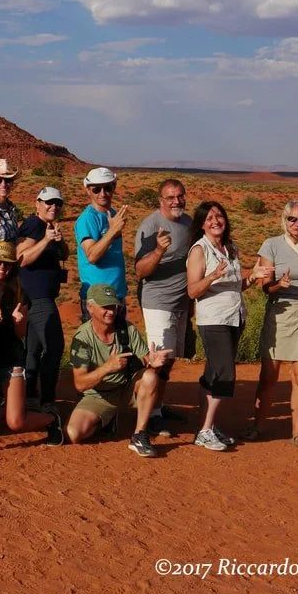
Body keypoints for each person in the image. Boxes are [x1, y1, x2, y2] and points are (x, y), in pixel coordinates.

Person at [186, 201, 272, 451]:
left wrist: (253, 277)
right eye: (210, 217)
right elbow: (192, 291)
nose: (215, 221)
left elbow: (236, 285)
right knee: (225, 374)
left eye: (219, 216)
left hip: (235, 317)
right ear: (202, 223)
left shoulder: (231, 247)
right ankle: (204, 431)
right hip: (213, 320)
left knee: (213, 373)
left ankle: (208, 427)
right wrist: (212, 276)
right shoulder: (199, 250)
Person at [247, 200, 298, 452]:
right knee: (269, 376)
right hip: (279, 313)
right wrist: (278, 286)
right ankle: (257, 426)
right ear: (285, 220)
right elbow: (265, 286)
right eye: (292, 219)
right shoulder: (271, 245)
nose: (297, 224)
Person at [0, 241, 63, 444]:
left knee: (16, 423)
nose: (2, 267)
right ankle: (4, 409)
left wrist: (18, 321)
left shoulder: (20, 294)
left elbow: (19, 335)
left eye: (8, 264)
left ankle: (52, 420)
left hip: (11, 361)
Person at [66, 284, 172, 457]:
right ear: (90, 307)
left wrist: (153, 363)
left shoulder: (127, 329)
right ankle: (107, 420)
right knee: (73, 433)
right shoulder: (82, 337)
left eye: (114, 306)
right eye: (105, 306)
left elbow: (145, 359)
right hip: (99, 396)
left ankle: (139, 435)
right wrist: (108, 367)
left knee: (151, 376)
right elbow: (79, 384)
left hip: (127, 389)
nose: (111, 311)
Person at [133, 178, 193, 434]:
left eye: (180, 196)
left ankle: (158, 405)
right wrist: (158, 251)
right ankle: (150, 416)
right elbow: (140, 270)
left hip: (181, 303)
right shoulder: (150, 226)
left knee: (169, 361)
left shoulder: (189, 223)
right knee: (157, 361)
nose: (176, 201)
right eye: (170, 197)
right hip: (158, 302)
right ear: (161, 200)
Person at [15, 186, 68, 411]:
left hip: (42, 296)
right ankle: (46, 400)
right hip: (38, 298)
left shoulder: (47, 227)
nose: (53, 206)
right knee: (54, 347)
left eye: (57, 203)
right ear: (37, 203)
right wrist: (46, 240)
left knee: (34, 350)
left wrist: (59, 241)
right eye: (48, 202)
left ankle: (29, 396)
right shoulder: (33, 225)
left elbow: (64, 254)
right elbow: (21, 258)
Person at [75, 167, 128, 321]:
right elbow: (91, 255)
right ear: (88, 190)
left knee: (119, 343)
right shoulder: (87, 219)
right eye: (96, 189)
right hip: (98, 299)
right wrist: (113, 231)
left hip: (117, 295)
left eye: (107, 188)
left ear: (114, 187)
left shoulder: (112, 214)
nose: (102, 193)